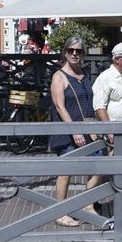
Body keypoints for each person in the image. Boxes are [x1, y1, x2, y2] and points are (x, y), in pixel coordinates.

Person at [47, 37, 97, 227]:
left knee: (96, 167)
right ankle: (61, 212)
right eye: (71, 50)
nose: (75, 54)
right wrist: (74, 130)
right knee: (66, 171)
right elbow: (60, 106)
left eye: (79, 51)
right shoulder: (59, 76)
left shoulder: (84, 75)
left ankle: (88, 204)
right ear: (65, 52)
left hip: (88, 130)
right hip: (68, 130)